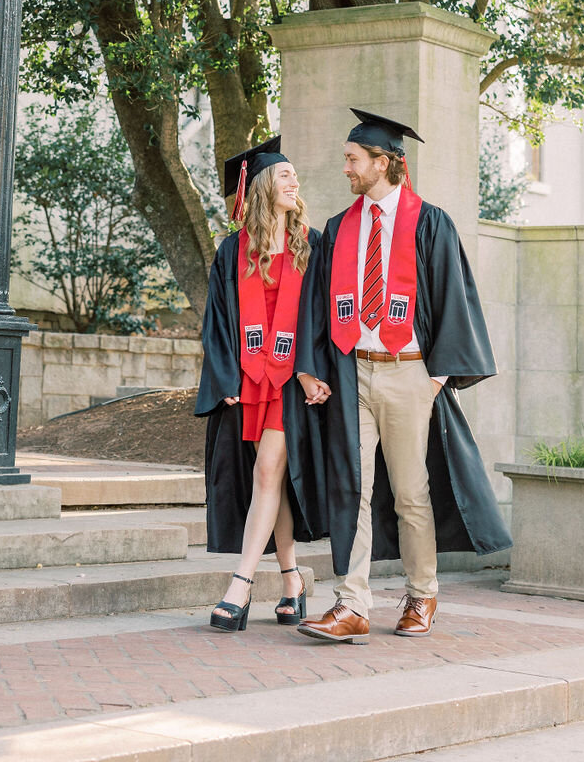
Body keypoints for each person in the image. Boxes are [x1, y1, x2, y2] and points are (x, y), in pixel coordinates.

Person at [296, 109, 511, 645]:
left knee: (412, 494)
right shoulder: (340, 227)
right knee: (354, 487)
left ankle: (422, 593)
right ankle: (352, 603)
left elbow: (454, 298)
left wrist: (437, 376)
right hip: (353, 372)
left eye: (353, 159)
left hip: (411, 374)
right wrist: (312, 366)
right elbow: (318, 308)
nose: (345, 168)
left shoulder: (430, 222)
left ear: (384, 162)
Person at [195, 136, 331, 632]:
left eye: (296, 175)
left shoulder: (311, 245)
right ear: (262, 187)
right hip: (251, 377)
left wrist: (313, 369)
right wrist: (225, 375)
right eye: (286, 174)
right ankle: (293, 579)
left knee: (269, 472)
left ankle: (240, 585)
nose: (295, 181)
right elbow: (218, 321)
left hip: (292, 378)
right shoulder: (233, 251)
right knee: (267, 482)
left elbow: (321, 317)